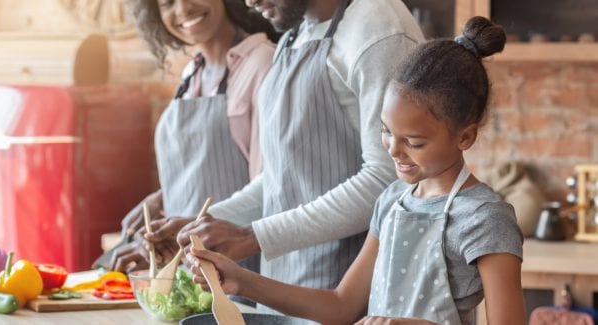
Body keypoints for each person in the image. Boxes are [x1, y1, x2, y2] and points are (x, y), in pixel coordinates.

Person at [188, 16, 525, 325]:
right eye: (387, 132)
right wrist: (241, 280)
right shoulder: (392, 200)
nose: (393, 149)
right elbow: (341, 305)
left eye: (414, 142)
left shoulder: (484, 218)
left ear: (465, 136)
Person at [141, 0, 425, 312]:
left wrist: (254, 236)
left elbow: (389, 180)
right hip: (286, 294)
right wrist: (203, 224)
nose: (248, 2)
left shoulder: (378, 27)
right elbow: (280, 179)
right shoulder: (295, 36)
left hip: (356, 301)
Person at [96, 0, 278, 272]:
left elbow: (272, 186)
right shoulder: (191, 73)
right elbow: (204, 167)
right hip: (188, 266)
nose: (182, 9)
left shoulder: (262, 63)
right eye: (167, 2)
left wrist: (193, 224)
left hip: (240, 271)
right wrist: (163, 199)